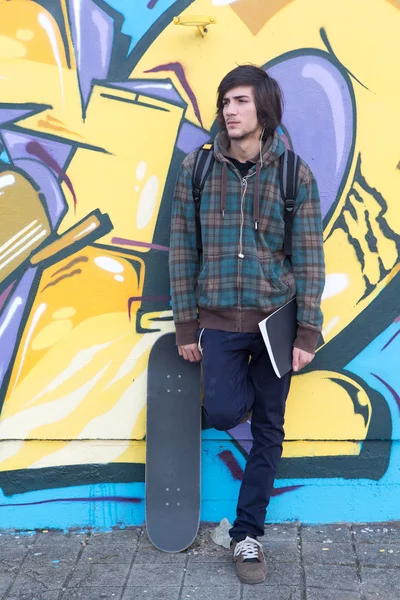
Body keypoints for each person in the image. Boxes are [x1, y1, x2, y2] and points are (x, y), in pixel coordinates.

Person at [169, 65, 325, 584]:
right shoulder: (197, 169)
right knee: (223, 407)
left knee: (268, 432)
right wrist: (187, 326)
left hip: (274, 325)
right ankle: (248, 396)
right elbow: (182, 253)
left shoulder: (293, 174)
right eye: (224, 102)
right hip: (218, 321)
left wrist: (307, 332)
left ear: (264, 110)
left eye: (239, 101)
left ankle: (247, 535)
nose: (229, 110)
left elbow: (308, 258)